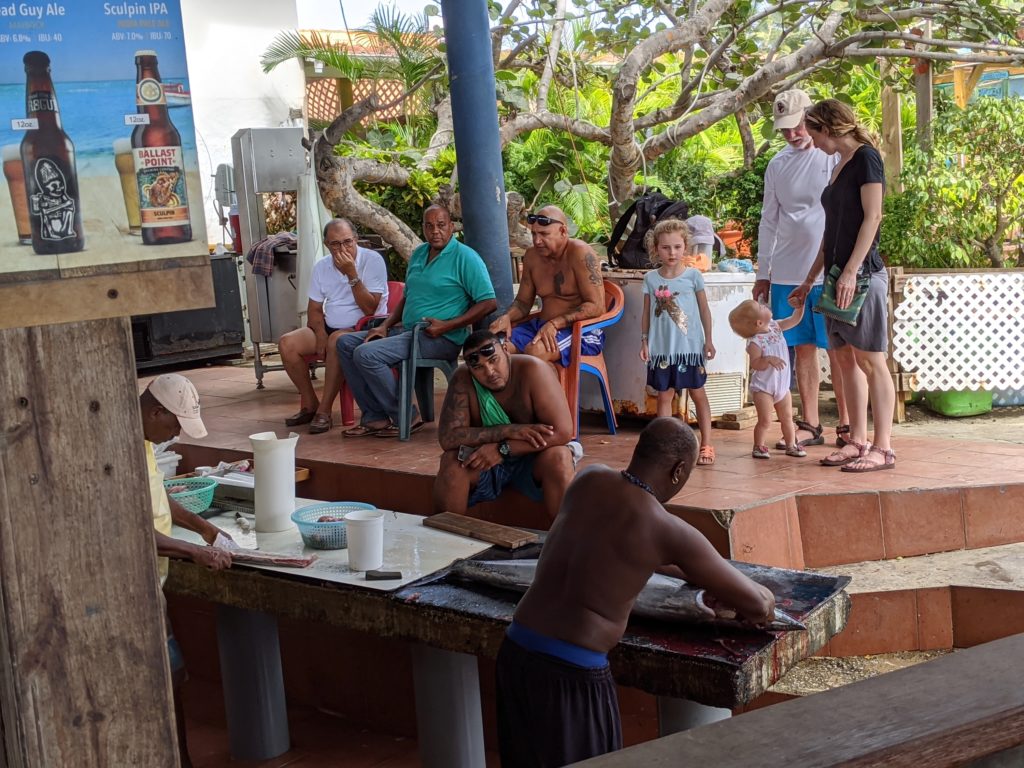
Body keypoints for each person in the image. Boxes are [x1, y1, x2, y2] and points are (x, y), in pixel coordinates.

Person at [496, 417, 776, 767]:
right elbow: (759, 604)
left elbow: (617, 551)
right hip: (570, 671)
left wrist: (699, 574)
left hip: (517, 649)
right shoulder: (663, 527)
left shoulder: (588, 478)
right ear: (678, 471)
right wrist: (739, 588)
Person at [788, 99, 896, 472]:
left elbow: (873, 216)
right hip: (835, 277)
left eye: (813, 132)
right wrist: (809, 280)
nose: (811, 141)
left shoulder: (867, 158)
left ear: (829, 128)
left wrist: (851, 271)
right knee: (844, 359)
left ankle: (883, 447)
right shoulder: (839, 165)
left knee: (871, 360)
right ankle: (857, 440)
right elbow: (830, 231)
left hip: (862, 275)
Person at [338, 205, 497, 438]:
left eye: (441, 225)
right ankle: (375, 417)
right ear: (423, 228)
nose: (435, 231)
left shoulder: (466, 257)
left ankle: (406, 416)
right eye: (429, 226)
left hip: (441, 337)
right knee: (345, 344)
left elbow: (489, 302)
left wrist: (448, 325)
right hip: (408, 332)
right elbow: (407, 297)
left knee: (366, 354)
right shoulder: (419, 254)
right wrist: (385, 325)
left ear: (451, 227)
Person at [140, 374, 232, 767]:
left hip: (154, 581)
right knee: (163, 681)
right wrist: (193, 551)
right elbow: (132, 532)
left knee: (173, 680)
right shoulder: (118, 450)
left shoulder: (145, 445)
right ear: (156, 411)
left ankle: (181, 757)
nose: (175, 434)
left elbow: (158, 497)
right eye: (174, 424)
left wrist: (205, 528)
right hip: (137, 590)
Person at [755, 89, 850, 450]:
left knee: (839, 349)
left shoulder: (834, 156)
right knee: (802, 349)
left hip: (828, 270)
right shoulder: (777, 164)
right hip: (786, 271)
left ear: (810, 119)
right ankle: (810, 422)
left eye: (797, 126)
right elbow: (769, 220)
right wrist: (764, 272)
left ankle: (846, 421)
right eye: (785, 130)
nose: (792, 135)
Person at [433, 330, 576, 521]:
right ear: (470, 368)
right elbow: (448, 438)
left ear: (506, 350)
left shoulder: (534, 370)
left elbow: (563, 432)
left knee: (560, 457)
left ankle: (565, 542)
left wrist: (503, 449)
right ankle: (448, 541)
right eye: (479, 368)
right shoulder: (463, 379)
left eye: (493, 360)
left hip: (532, 457)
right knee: (451, 462)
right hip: (484, 460)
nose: (489, 372)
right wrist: (509, 431)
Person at [279, 218, 388, 435]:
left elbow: (370, 308)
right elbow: (315, 309)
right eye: (335, 244)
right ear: (327, 244)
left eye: (347, 242)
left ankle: (325, 410)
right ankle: (310, 403)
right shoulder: (322, 266)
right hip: (329, 326)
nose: (342, 248)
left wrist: (351, 274)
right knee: (287, 343)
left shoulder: (372, 260)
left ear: (356, 239)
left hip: (363, 328)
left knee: (337, 340)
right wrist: (319, 334)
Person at [639, 218, 717, 466]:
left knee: (698, 393)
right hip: (662, 350)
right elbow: (646, 313)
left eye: (677, 246)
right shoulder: (650, 279)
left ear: (685, 247)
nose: (671, 252)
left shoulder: (693, 277)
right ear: (656, 249)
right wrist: (644, 341)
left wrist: (709, 340)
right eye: (665, 247)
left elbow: (704, 311)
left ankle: (706, 444)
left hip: (690, 350)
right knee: (664, 396)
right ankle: (665, 447)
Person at [489, 205, 605, 367]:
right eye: (534, 234)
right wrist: (507, 317)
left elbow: (597, 306)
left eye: (544, 234)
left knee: (534, 352)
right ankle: (517, 393)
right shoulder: (531, 256)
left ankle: (550, 393)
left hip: (581, 330)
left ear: (563, 231)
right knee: (492, 349)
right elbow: (523, 303)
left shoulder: (580, 253)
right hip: (541, 325)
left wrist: (555, 323)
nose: (537, 241)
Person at [728, 299, 809, 460]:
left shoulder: (774, 326)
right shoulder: (755, 343)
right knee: (765, 420)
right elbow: (756, 364)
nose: (764, 305)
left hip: (782, 386)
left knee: (787, 418)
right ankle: (758, 446)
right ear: (759, 322)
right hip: (764, 388)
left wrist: (800, 308)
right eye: (760, 307)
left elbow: (792, 321)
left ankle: (791, 444)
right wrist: (768, 359)